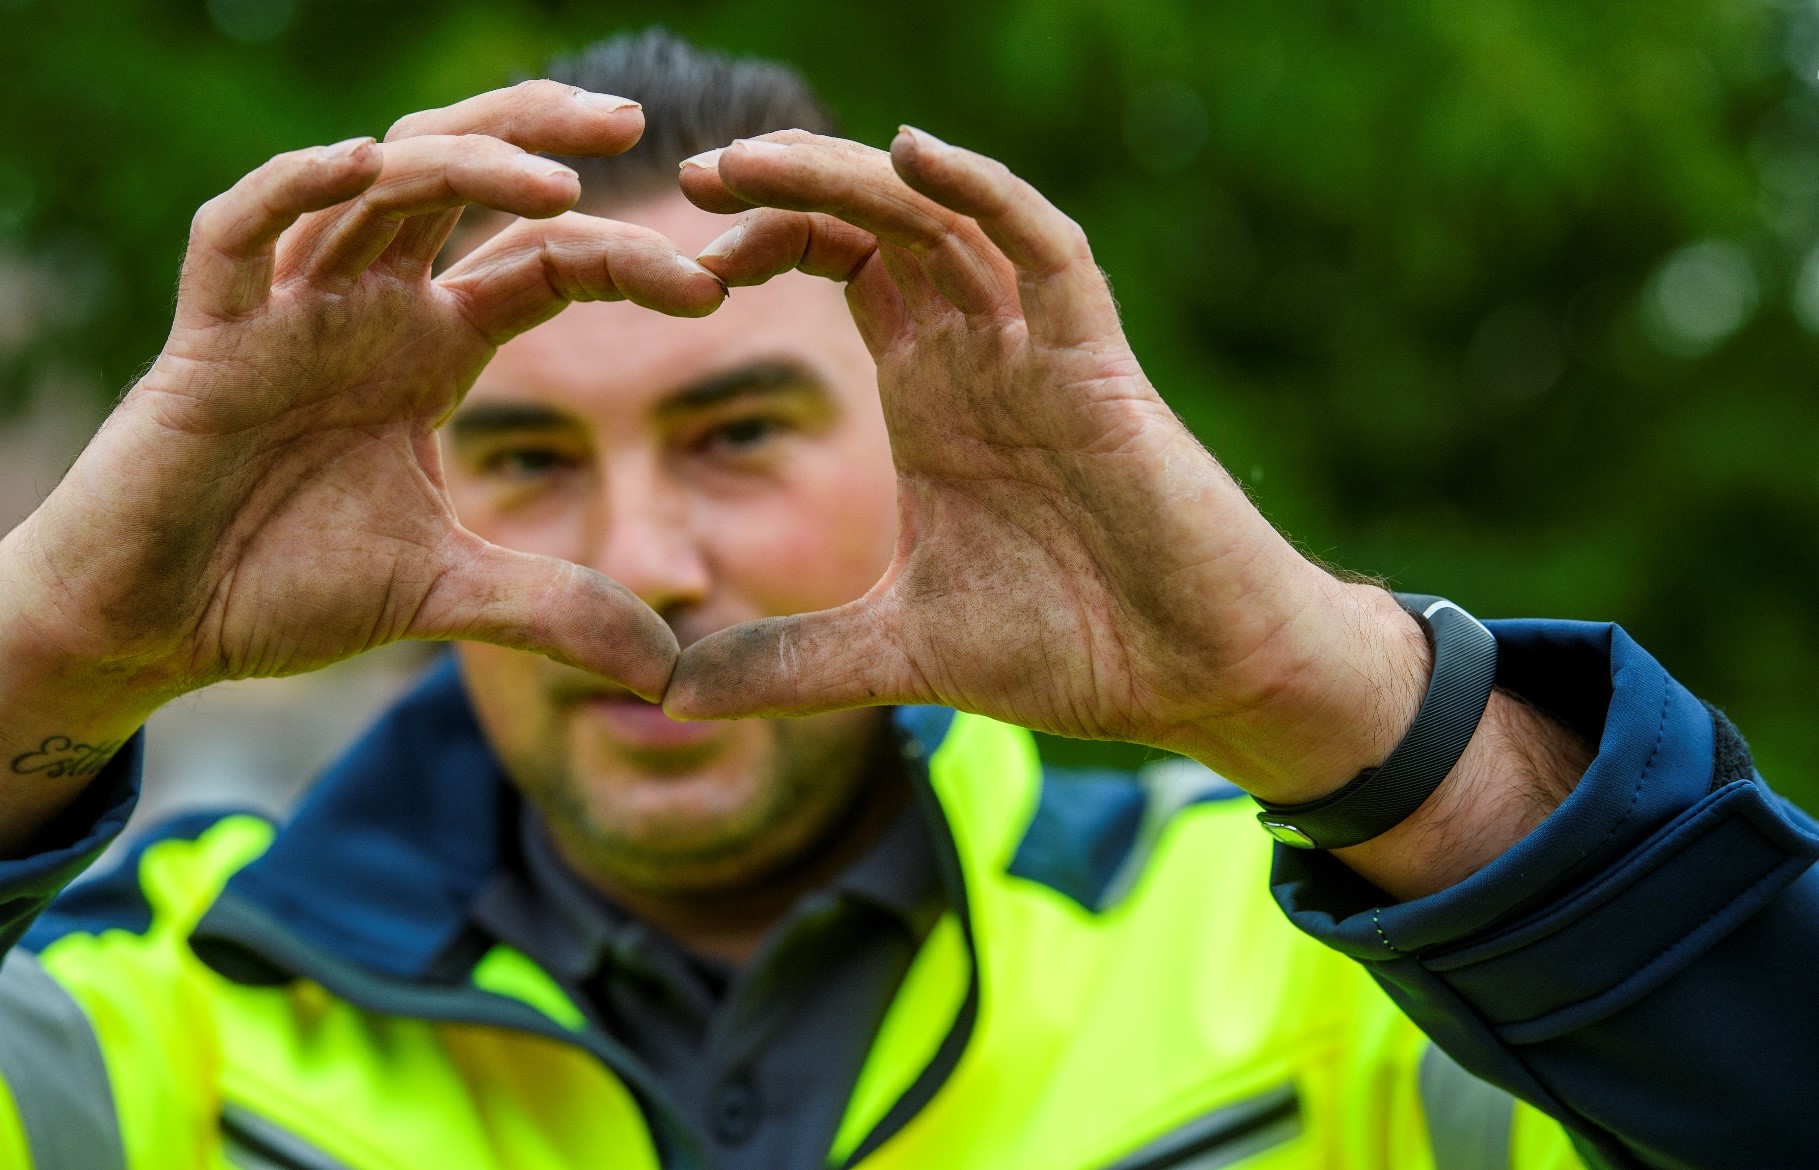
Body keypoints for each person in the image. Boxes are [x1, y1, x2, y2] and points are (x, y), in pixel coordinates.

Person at [0, 28, 1811, 1170]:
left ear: (910, 462)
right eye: (529, 452)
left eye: (738, 433)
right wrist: (44, 659)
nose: (644, 553)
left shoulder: (1307, 960)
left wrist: (1331, 698)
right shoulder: (153, 1000)